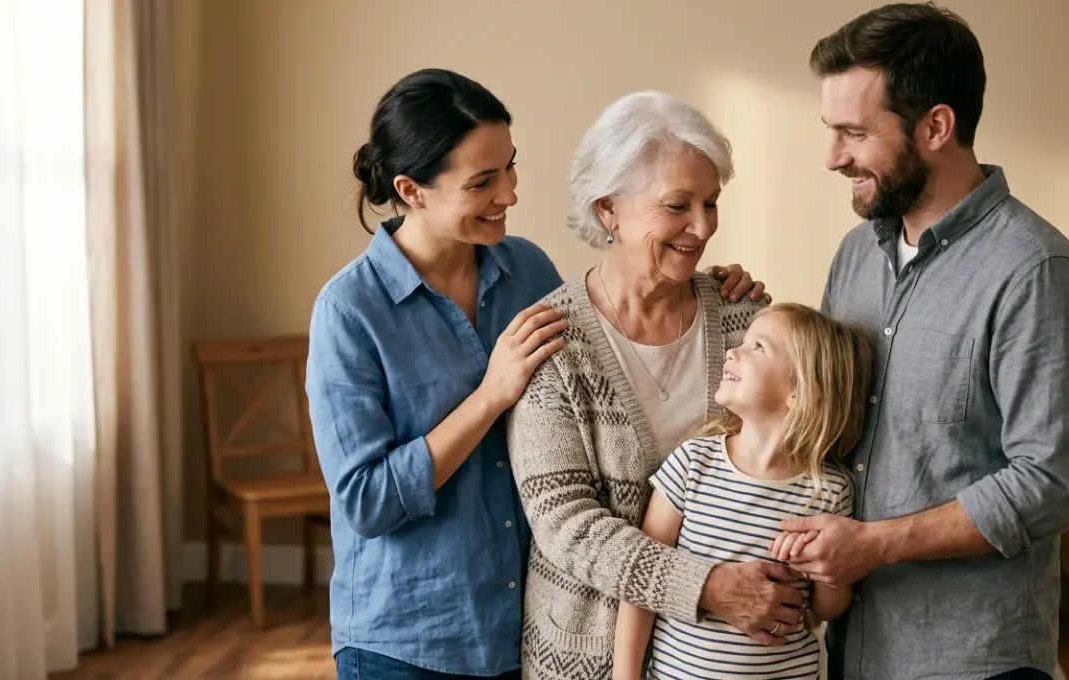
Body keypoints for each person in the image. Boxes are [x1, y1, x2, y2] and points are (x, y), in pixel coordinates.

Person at [305, 68, 768, 680]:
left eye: (511, 166)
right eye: (483, 181)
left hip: (519, 624)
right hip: (408, 637)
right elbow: (366, 501)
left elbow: (618, 303)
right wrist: (489, 397)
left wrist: (712, 284)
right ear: (412, 190)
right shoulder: (350, 311)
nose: (510, 194)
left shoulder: (525, 270)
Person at [771, 4, 1069, 680]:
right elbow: (825, 408)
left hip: (973, 657)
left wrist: (876, 545)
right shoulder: (855, 257)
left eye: (853, 133)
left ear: (936, 126)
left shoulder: (1038, 273)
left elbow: (1052, 482)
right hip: (850, 651)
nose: (833, 157)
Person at [506, 91, 807, 680]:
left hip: (738, 660)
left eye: (711, 202)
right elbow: (567, 526)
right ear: (608, 209)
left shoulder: (746, 319)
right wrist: (707, 585)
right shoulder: (553, 343)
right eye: (677, 205)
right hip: (585, 656)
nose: (702, 227)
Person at [611, 303, 874, 680]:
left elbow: (827, 609)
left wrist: (826, 572)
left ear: (798, 390)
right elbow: (642, 582)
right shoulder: (693, 463)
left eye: (758, 347)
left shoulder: (830, 492)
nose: (734, 351)